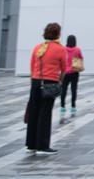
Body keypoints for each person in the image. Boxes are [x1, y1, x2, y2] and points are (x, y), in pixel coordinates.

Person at [25, 22, 67, 155]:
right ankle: (43, 145)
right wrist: (59, 82)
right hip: (50, 83)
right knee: (45, 114)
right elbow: (64, 69)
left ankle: (31, 144)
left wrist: (35, 79)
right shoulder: (60, 49)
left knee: (34, 112)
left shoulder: (37, 47)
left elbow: (32, 66)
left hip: (36, 82)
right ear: (58, 34)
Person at [60, 34, 83, 112]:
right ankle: (73, 106)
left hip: (65, 72)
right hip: (74, 72)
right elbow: (81, 58)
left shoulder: (63, 49)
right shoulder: (77, 50)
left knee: (63, 89)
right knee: (74, 89)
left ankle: (62, 106)